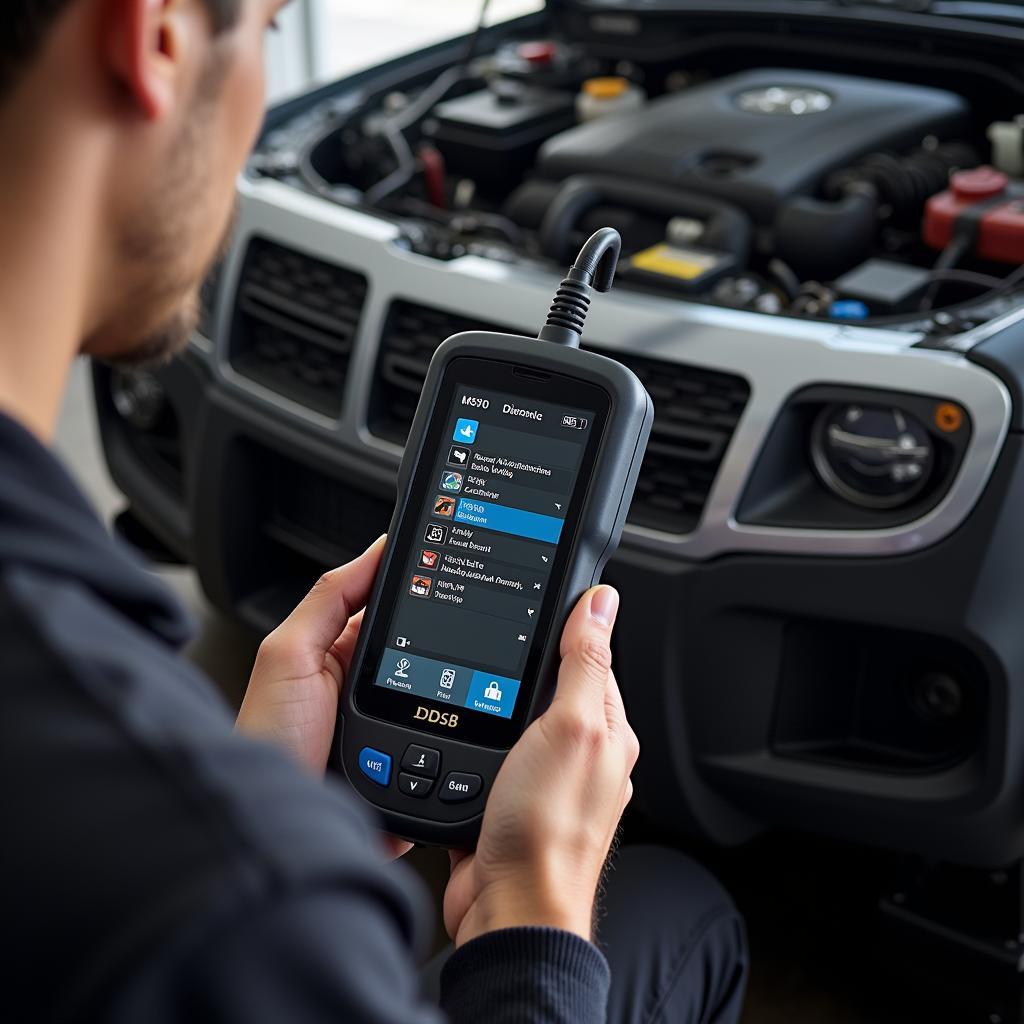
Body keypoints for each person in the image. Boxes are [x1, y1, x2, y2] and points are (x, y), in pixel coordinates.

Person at [0, 2, 748, 1021]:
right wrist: (531, 912)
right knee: (688, 910)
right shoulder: (237, 900)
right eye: (267, 27)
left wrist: (268, 793)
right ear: (157, 35)